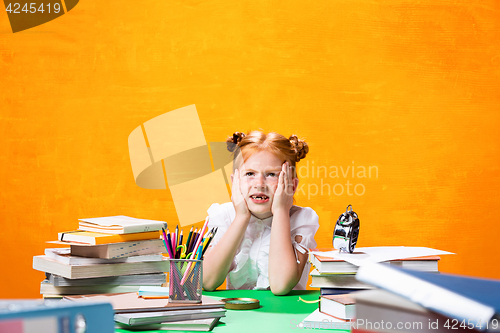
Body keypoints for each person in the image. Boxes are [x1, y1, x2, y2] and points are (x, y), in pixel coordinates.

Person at [202, 130, 319, 295]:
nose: (260, 184)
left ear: (291, 185)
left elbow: (280, 286)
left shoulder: (302, 220)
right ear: (235, 182)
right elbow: (207, 281)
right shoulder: (224, 216)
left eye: (271, 174)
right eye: (250, 174)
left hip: (286, 316)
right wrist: (241, 218)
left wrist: (280, 212)